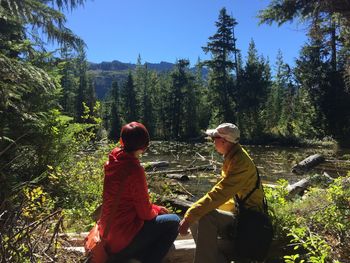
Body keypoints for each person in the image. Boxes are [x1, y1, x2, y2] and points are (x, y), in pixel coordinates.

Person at [178, 123, 266, 263]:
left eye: (214, 138)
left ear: (224, 141)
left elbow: (219, 194)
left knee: (204, 215)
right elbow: (225, 195)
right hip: (240, 214)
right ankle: (215, 258)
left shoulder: (240, 163)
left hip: (249, 220)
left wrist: (189, 217)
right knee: (199, 212)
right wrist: (196, 212)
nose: (212, 141)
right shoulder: (233, 155)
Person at [99, 122, 180, 263]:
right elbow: (145, 214)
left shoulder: (112, 161)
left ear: (121, 141)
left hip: (106, 234)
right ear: (145, 147)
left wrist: (156, 208)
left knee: (160, 218)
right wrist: (158, 210)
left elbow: (128, 202)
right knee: (174, 221)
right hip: (122, 242)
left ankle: (137, 255)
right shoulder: (134, 169)